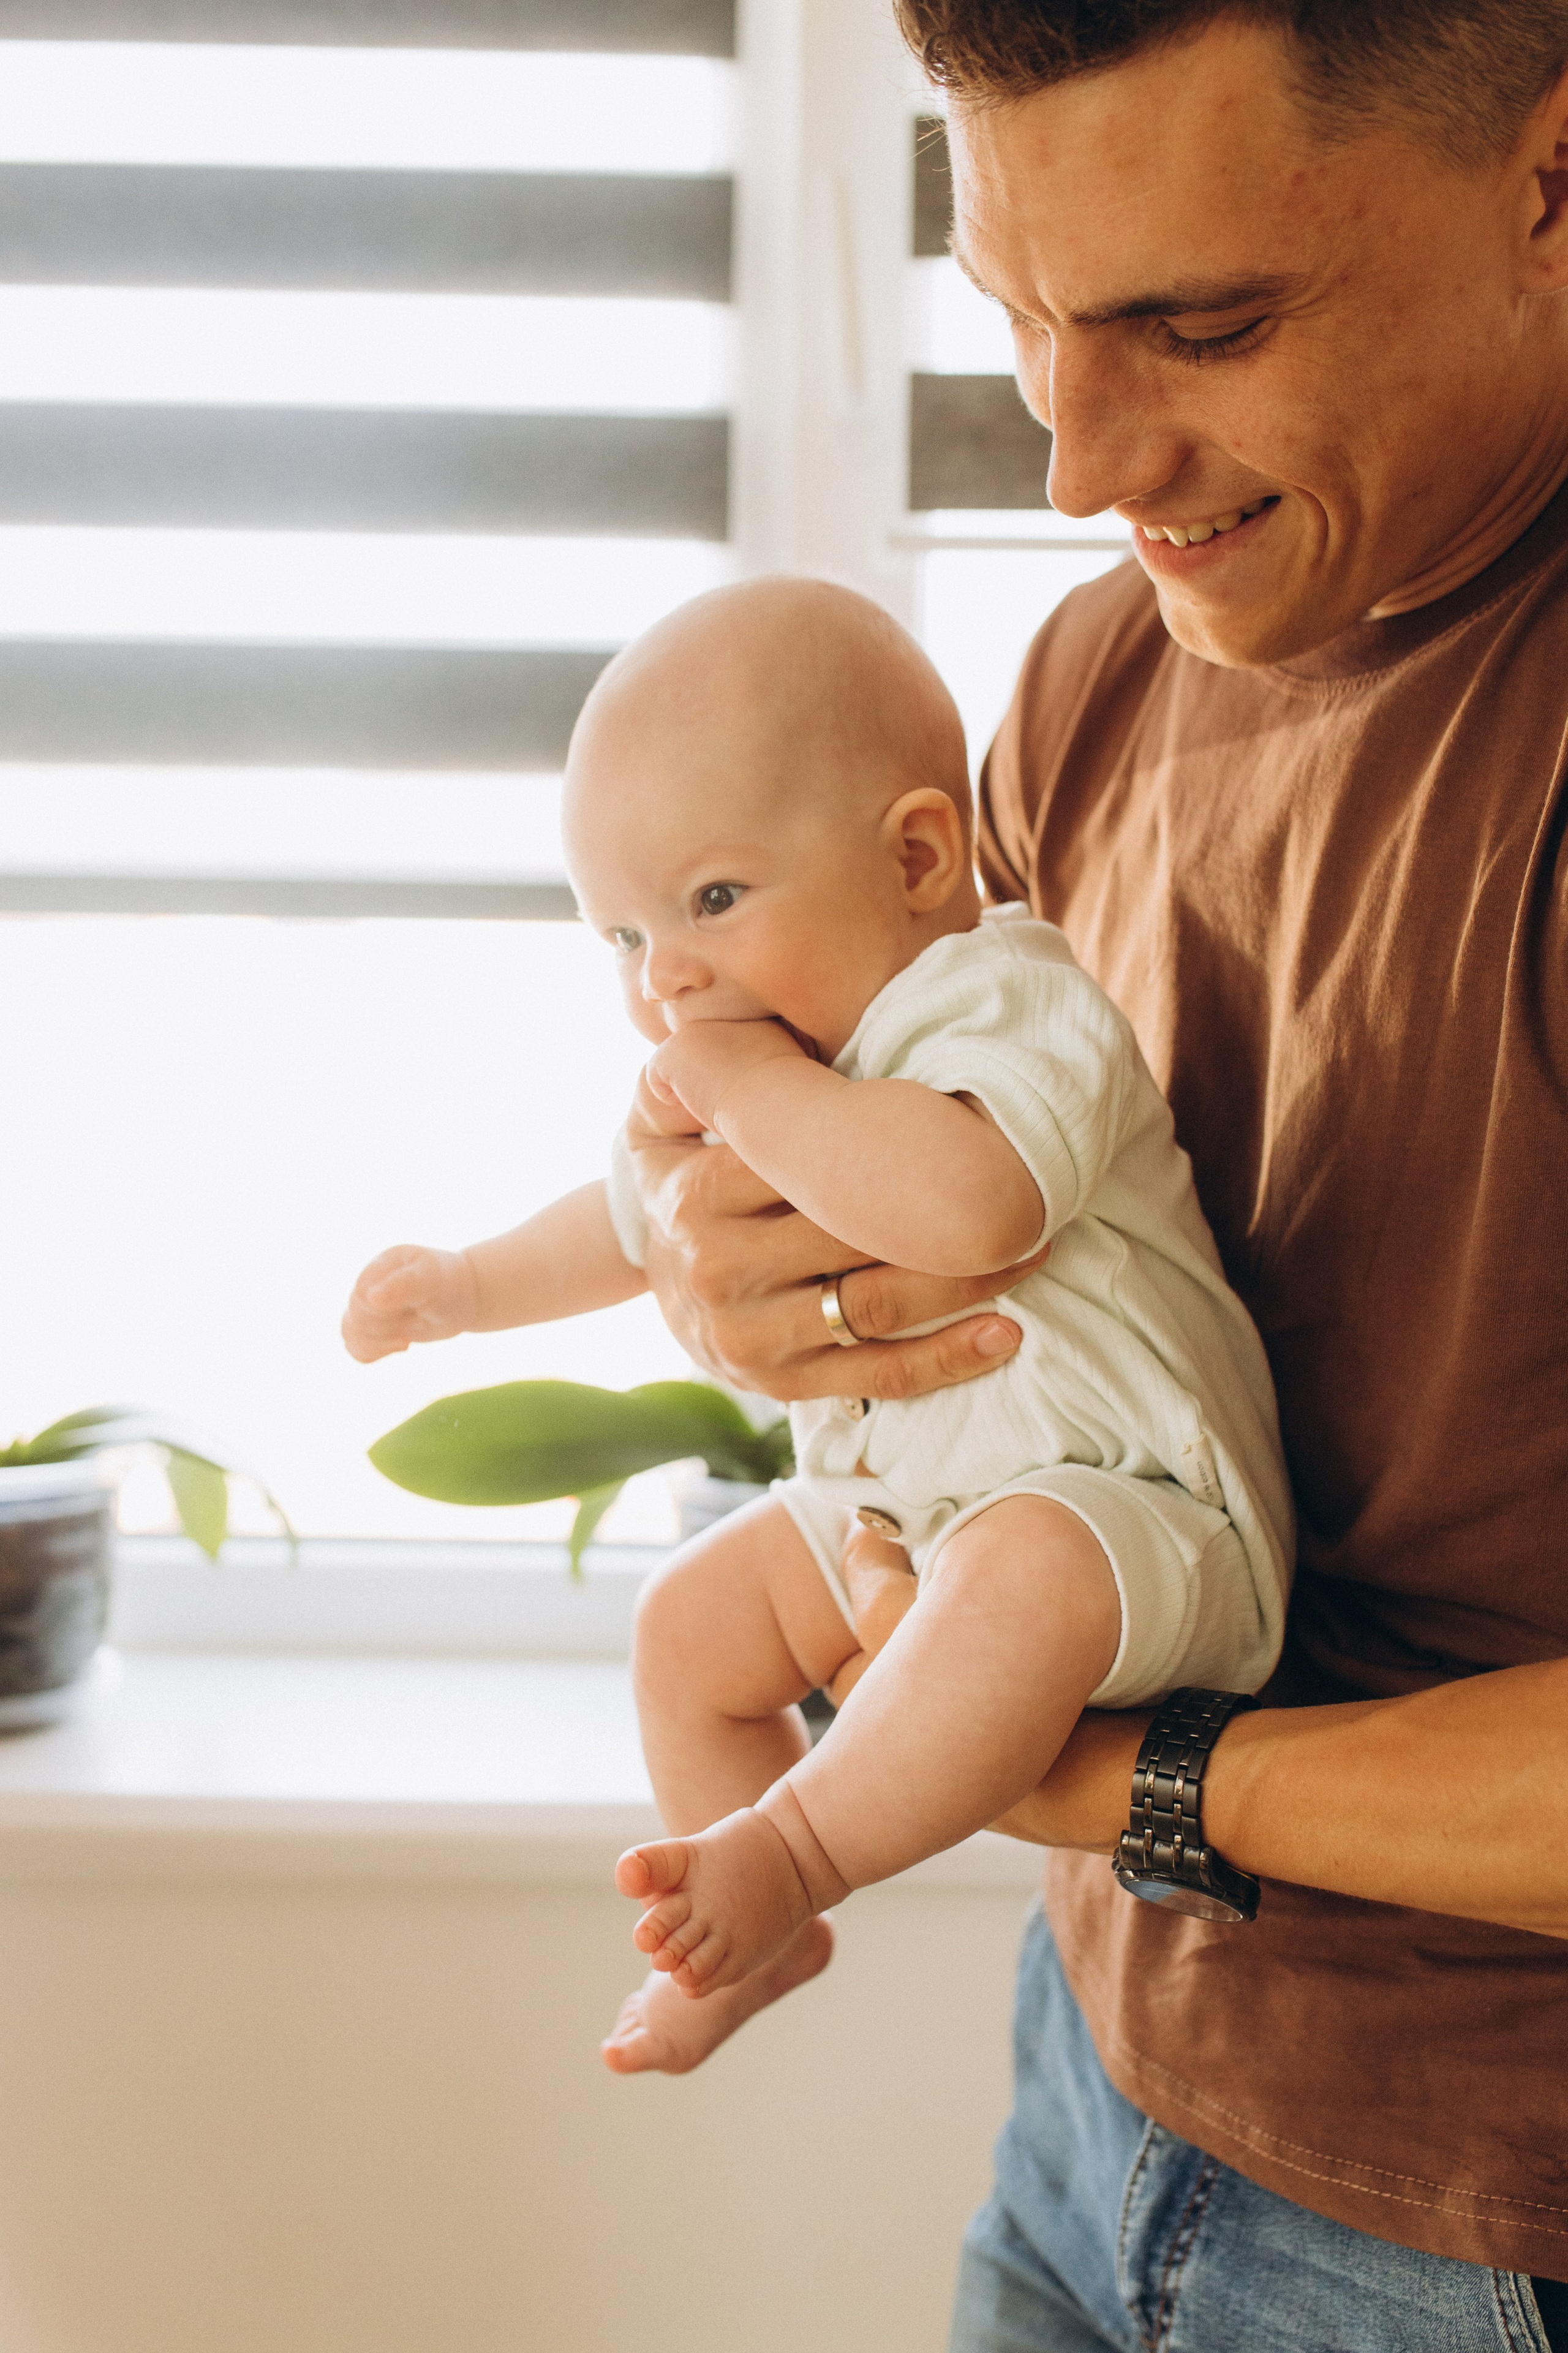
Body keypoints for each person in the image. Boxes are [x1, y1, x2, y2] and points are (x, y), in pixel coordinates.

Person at [612, 4, 1568, 2347]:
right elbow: (912, 1197)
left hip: (1471, 2240)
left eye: (1202, 325)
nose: (1081, 461)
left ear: (1551, 180)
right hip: (1101, 2101)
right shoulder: (1095, 684)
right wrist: (718, 1261)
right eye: (1026, 326)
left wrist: (1143, 1784)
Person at [341, 576, 1293, 2077]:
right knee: (686, 1630)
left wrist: (744, 1096)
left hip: (1136, 1520)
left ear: (917, 855)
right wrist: (465, 1285)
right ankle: (759, 1940)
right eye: (621, 939)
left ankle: (792, 1854)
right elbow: (636, 1221)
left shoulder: (1001, 999)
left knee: (1019, 1567)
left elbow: (969, 1207)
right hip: (902, 1514)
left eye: (710, 902)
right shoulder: (757, 1065)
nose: (668, 982)